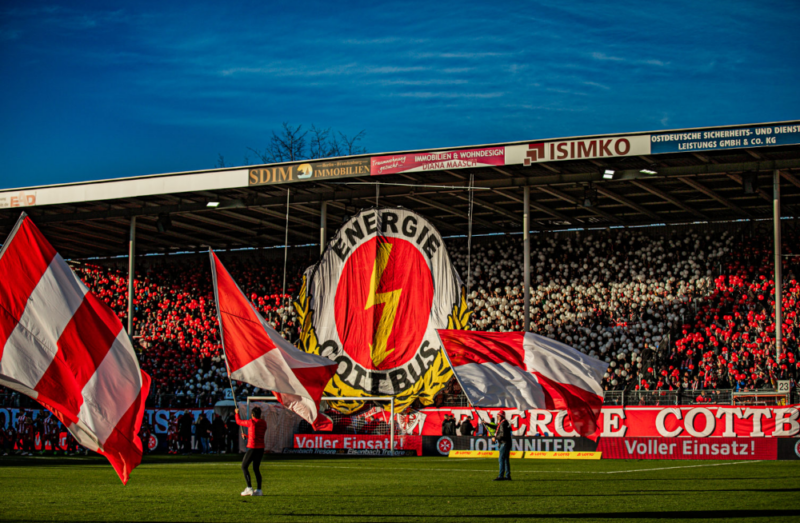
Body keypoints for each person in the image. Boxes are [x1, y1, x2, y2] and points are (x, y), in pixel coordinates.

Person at [235, 407, 266, 497]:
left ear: (252, 415)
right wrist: (247, 436)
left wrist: (237, 413)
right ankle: (259, 490)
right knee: (256, 469)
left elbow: (239, 422)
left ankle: (249, 487)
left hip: (253, 447)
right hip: (261, 448)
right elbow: (257, 434)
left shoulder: (251, 422)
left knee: (244, 466)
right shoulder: (263, 423)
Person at [492, 411, 512, 481]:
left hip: (504, 443)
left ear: (501, 416)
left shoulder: (503, 424)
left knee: (501, 459)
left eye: (498, 416)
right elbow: (496, 427)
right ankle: (507, 475)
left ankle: (501, 476)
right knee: (506, 459)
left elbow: (503, 435)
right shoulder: (504, 423)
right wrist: (487, 424)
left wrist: (496, 438)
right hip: (506, 443)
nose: (497, 417)